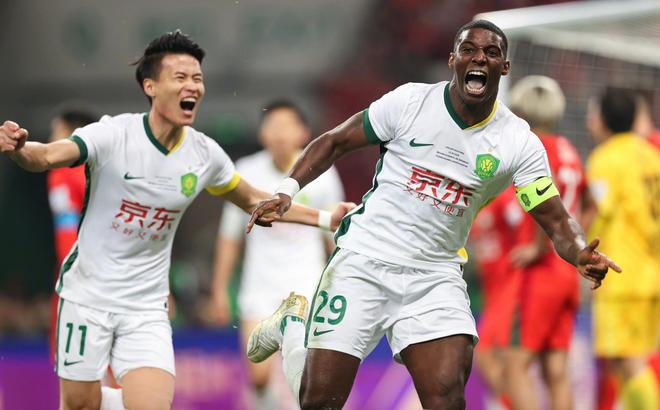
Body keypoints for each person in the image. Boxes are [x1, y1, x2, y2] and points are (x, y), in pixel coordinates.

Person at [246, 20, 621, 409]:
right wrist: (286, 190)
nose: (479, 58)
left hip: (434, 275)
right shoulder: (410, 102)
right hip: (364, 260)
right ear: (453, 60)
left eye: (491, 53)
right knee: (319, 403)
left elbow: (555, 218)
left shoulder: (518, 142)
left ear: (505, 68)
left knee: (446, 398)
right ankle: (292, 326)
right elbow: (336, 141)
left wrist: (580, 251)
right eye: (469, 50)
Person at [0, 31, 353, 410]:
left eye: (197, 78)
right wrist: (20, 149)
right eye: (180, 77)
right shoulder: (113, 135)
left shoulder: (204, 155)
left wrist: (325, 218)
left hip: (145, 307)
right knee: (79, 404)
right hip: (87, 297)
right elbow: (46, 155)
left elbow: (255, 200)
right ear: (150, 86)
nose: (192, 87)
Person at [211, 100, 344, 409]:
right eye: (273, 126)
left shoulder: (322, 172)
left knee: (306, 374)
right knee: (258, 376)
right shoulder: (246, 171)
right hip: (260, 287)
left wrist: (341, 284)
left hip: (307, 284)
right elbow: (230, 237)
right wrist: (219, 289)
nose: (280, 134)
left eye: (287, 126)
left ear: (303, 133)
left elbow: (334, 235)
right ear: (262, 134)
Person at [505, 75, 597, 410]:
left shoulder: (537, 149)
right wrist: (578, 244)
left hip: (542, 274)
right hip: (567, 273)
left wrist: (538, 246)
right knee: (556, 369)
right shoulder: (569, 149)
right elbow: (590, 204)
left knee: (514, 366)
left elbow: (546, 199)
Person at [586, 87, 660, 410]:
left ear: (604, 118)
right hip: (650, 272)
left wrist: (579, 252)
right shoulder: (651, 156)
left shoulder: (606, 158)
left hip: (622, 277)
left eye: (592, 113)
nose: (589, 120)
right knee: (626, 361)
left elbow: (597, 214)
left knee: (628, 361)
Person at [46, 106, 98, 362]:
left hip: (89, 274)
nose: (50, 140)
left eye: (56, 131)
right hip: (69, 274)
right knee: (66, 353)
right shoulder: (59, 174)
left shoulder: (85, 173)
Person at [469, 187, 523, 408]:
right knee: (491, 359)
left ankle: (510, 404)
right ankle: (510, 403)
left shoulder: (504, 196)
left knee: (491, 356)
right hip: (492, 294)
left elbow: (524, 225)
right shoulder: (475, 199)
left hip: (511, 287)